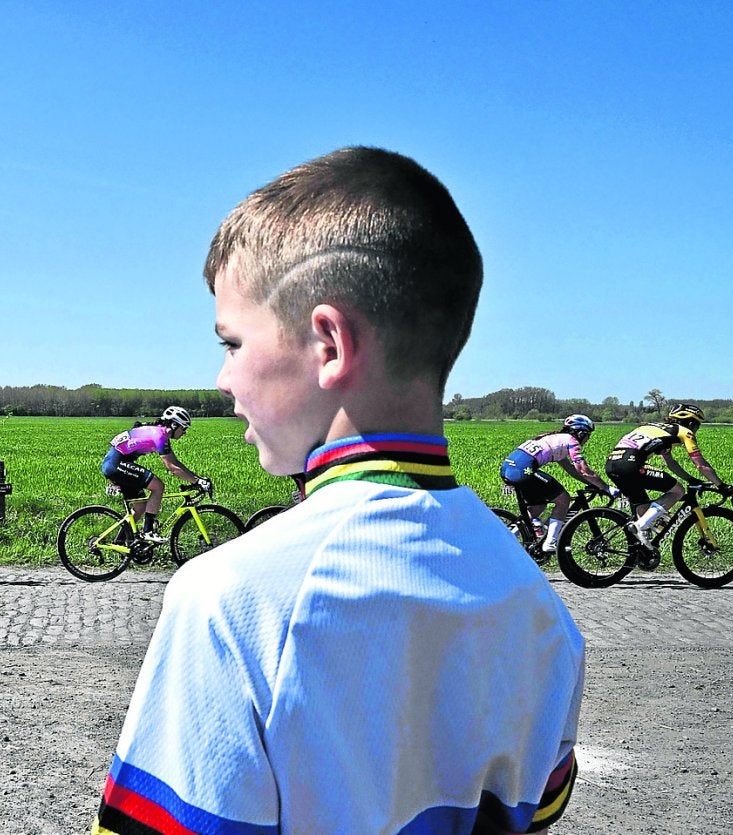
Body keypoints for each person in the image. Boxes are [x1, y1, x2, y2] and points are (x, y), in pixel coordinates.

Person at [94, 147, 584, 834]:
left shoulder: (232, 602)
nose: (221, 379)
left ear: (328, 344)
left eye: (232, 343)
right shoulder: (540, 613)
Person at [605, 403, 733, 563]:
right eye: (697, 426)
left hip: (612, 464)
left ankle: (643, 552)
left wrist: (690, 479)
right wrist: (721, 485)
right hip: (631, 464)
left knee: (643, 508)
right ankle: (639, 526)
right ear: (691, 423)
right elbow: (700, 464)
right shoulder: (685, 432)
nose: (696, 430)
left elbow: (669, 462)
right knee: (678, 491)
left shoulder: (658, 428)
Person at [500, 414, 622, 556]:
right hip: (523, 471)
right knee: (563, 499)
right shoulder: (571, 441)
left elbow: (572, 470)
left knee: (539, 505)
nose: (587, 440)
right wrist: (606, 487)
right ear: (581, 433)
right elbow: (583, 469)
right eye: (588, 436)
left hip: (509, 469)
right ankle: (550, 543)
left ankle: (508, 537)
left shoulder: (557, 439)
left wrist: (591, 483)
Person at [100, 406, 211, 545]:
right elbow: (172, 467)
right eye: (184, 428)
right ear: (174, 425)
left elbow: (175, 462)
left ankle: (120, 544)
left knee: (139, 508)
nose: (184, 433)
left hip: (116, 463)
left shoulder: (158, 432)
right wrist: (197, 481)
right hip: (116, 464)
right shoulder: (159, 435)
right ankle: (147, 532)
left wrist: (197, 479)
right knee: (158, 486)